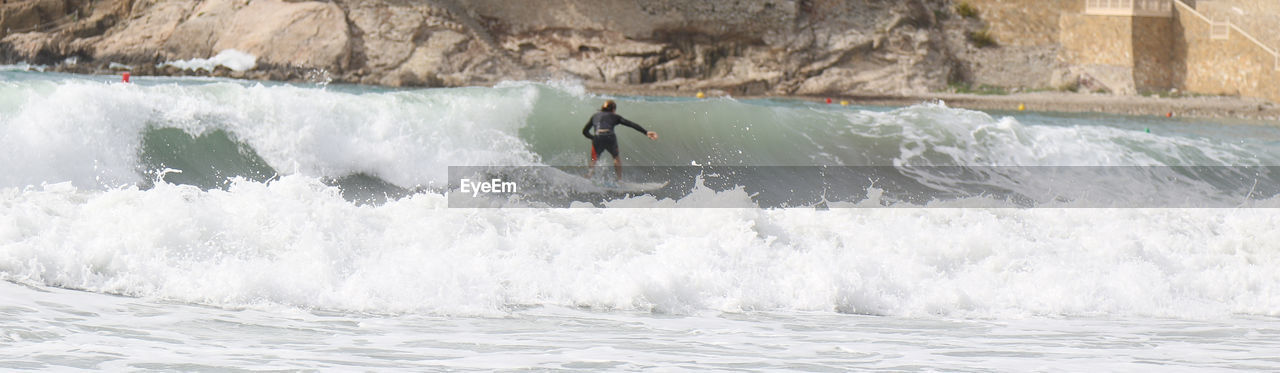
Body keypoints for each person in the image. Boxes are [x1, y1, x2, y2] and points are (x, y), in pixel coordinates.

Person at [581, 100, 658, 181]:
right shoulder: (615, 116)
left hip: (598, 136)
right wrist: (646, 132)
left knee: (594, 159)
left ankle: (589, 176)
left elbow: (585, 132)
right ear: (613, 109)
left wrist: (593, 138)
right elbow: (631, 124)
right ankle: (619, 180)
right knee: (616, 158)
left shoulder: (595, 116)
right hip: (610, 136)